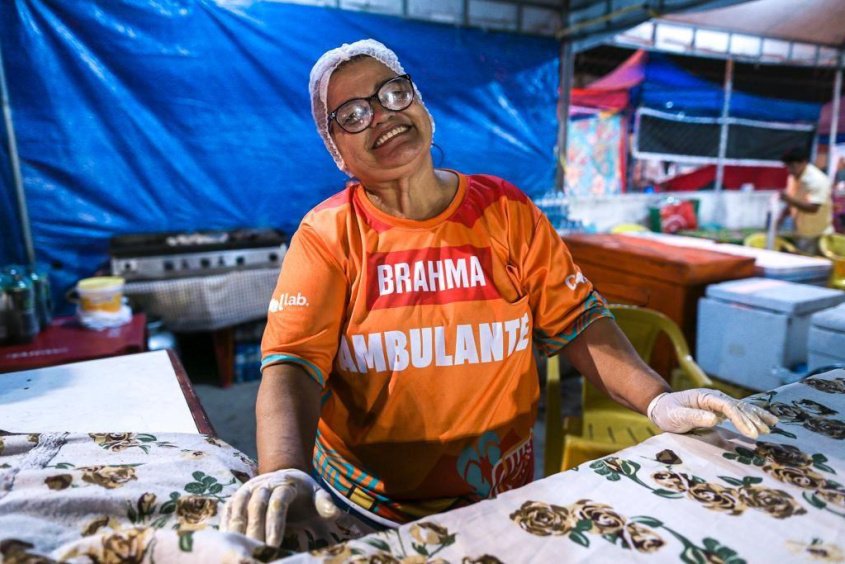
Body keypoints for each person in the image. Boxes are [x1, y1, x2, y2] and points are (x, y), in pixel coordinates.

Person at [220, 39, 777, 547]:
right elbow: (292, 364)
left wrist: (657, 398)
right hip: (370, 510)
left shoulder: (505, 211)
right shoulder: (328, 235)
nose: (384, 116)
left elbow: (577, 321)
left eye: (394, 92)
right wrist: (283, 469)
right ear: (337, 150)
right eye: (354, 114)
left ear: (421, 102)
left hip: (503, 499)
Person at [777, 147, 834, 254]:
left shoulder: (817, 180)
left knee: (811, 264)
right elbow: (792, 199)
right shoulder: (793, 177)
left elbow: (813, 208)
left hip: (816, 234)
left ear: (804, 162)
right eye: (788, 167)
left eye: (793, 166)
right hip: (800, 230)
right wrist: (780, 218)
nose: (790, 170)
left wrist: (789, 200)